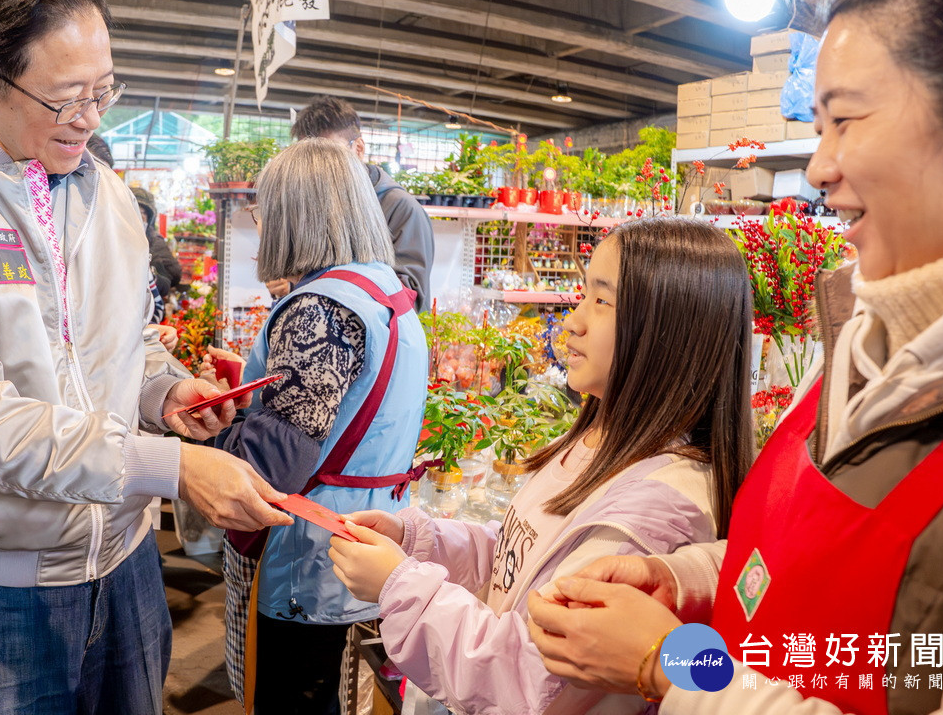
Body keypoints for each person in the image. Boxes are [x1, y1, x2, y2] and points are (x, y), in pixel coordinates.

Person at [524, 0, 943, 715]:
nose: (821, 169)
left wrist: (670, 666)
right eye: (817, 127)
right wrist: (688, 577)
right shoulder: (854, 349)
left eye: (845, 121)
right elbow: (800, 558)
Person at [0, 0, 290, 715]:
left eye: (104, 90)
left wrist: (165, 390)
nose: (90, 118)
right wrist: (167, 467)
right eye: (65, 97)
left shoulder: (108, 195)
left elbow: (126, 339)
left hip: (126, 567)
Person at [328, 218, 755, 715]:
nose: (574, 322)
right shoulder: (599, 442)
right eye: (582, 296)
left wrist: (398, 584)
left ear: (669, 333)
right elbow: (521, 557)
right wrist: (419, 543)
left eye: (603, 300)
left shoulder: (651, 514)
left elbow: (527, 676)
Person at [213, 138, 429, 714]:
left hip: (306, 560)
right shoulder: (384, 290)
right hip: (360, 539)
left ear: (290, 215)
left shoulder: (318, 308)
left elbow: (271, 463)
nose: (261, 226)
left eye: (264, 211)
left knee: (293, 697)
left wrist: (208, 432)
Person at [290, 96, 434, 312]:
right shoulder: (315, 205)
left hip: (379, 341)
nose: (318, 168)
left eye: (330, 156)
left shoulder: (401, 208)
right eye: (309, 158)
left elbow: (409, 299)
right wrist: (291, 284)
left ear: (358, 148)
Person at [131, 185, 183, 299]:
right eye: (136, 211)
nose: (140, 216)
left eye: (144, 213)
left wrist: (153, 277)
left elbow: (174, 275)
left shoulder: (154, 241)